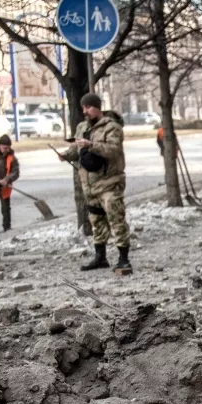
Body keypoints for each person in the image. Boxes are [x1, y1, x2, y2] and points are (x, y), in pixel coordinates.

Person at [61, 92, 131, 271]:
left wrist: (91, 145)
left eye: (89, 107)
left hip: (110, 181)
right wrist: (66, 154)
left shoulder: (112, 127)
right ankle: (100, 257)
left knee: (116, 217)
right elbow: (76, 148)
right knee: (96, 220)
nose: (85, 111)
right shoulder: (82, 127)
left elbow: (113, 150)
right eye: (83, 107)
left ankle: (123, 258)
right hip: (89, 183)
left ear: (97, 107)